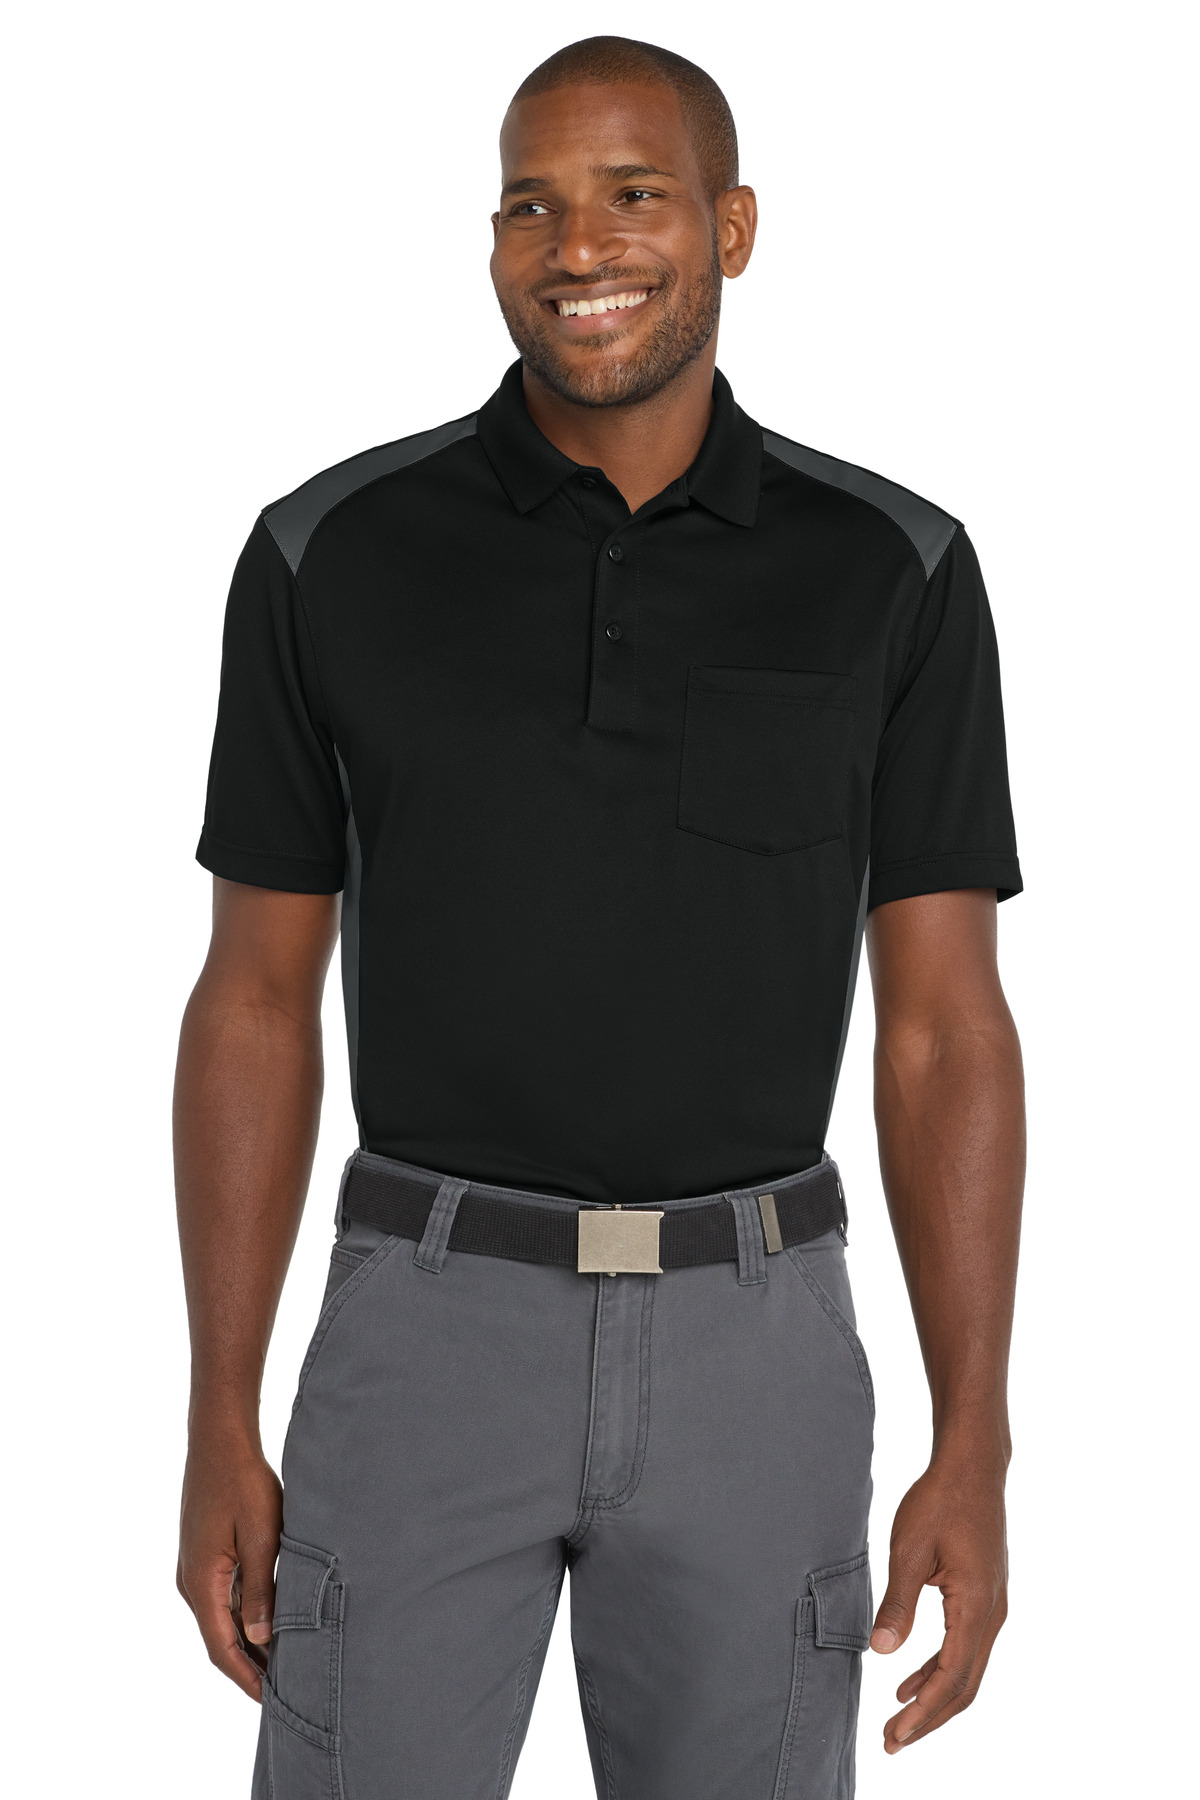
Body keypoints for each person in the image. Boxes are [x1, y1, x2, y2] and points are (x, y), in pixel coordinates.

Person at [174, 35, 1025, 1800]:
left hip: (758, 1348)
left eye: (633, 194)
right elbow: (252, 999)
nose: (578, 248)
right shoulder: (331, 551)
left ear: (733, 227)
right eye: (529, 206)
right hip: (422, 1335)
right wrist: (217, 1415)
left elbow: (946, 1027)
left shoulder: (896, 570)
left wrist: (976, 1441)